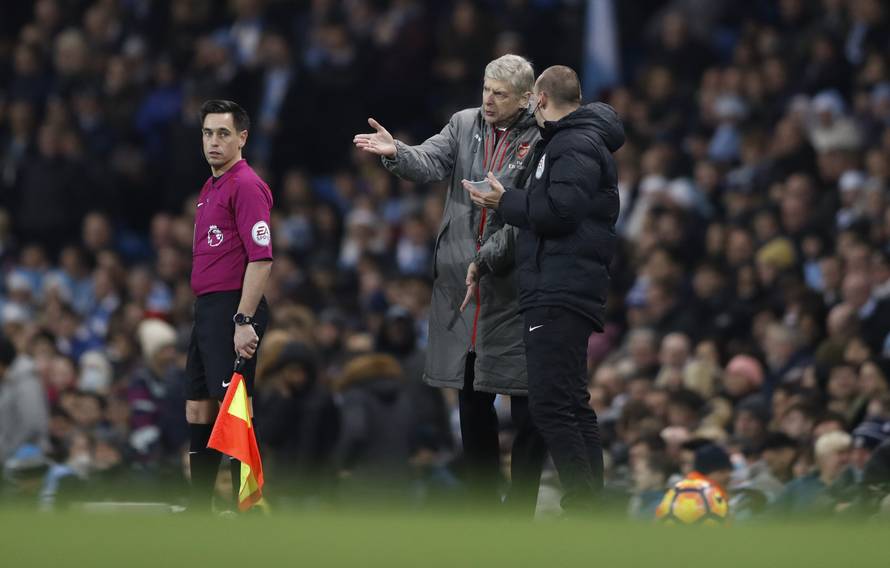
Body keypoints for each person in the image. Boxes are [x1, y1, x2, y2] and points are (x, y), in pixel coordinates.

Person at [353, 54, 545, 511]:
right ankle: (483, 510)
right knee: (472, 402)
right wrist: (397, 152)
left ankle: (520, 509)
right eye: (485, 89)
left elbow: (535, 213)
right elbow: (429, 160)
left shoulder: (543, 138)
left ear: (525, 98)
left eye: (499, 94)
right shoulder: (464, 124)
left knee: (527, 409)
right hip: (462, 287)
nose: (488, 100)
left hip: (514, 290)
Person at [464, 65, 625, 512]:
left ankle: (583, 504)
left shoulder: (572, 142)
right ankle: (592, 505)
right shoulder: (577, 140)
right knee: (571, 403)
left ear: (538, 99)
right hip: (564, 286)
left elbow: (562, 211)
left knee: (552, 405)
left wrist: (505, 202)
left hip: (559, 288)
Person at [185, 100, 273, 511]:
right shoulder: (211, 186)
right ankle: (201, 507)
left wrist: (243, 319)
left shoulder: (246, 185)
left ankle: (247, 505)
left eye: (223, 133)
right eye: (207, 133)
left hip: (231, 309)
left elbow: (261, 257)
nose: (213, 142)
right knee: (198, 404)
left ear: (242, 138)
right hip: (206, 310)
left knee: (234, 405)